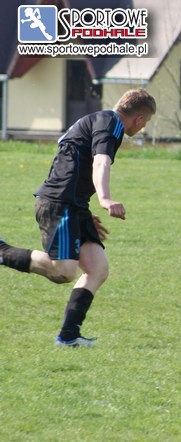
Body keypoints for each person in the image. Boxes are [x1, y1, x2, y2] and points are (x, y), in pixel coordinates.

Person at [0, 88, 156, 347]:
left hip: (74, 205)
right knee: (63, 271)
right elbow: (100, 162)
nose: (143, 127)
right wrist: (105, 198)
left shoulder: (100, 120)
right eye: (145, 122)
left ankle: (69, 336)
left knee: (97, 268)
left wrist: (84, 211)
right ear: (139, 118)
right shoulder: (111, 124)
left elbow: (72, 165)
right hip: (60, 204)